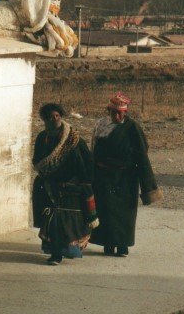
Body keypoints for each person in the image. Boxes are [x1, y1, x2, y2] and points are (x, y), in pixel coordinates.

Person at [91, 92, 163, 257]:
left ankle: (122, 246)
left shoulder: (132, 127)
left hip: (126, 177)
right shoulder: (100, 125)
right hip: (104, 176)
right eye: (114, 112)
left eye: (121, 113)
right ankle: (107, 244)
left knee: (125, 213)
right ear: (108, 110)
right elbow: (93, 150)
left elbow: (142, 153)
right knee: (106, 211)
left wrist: (147, 184)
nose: (117, 116)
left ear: (125, 112)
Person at [32, 103, 98, 266]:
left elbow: (87, 160)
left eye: (57, 116)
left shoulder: (73, 138)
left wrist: (85, 182)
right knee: (53, 222)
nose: (54, 119)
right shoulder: (42, 138)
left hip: (71, 186)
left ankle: (69, 250)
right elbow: (38, 159)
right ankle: (56, 254)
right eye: (50, 117)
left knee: (69, 222)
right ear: (44, 120)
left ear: (61, 117)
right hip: (50, 185)